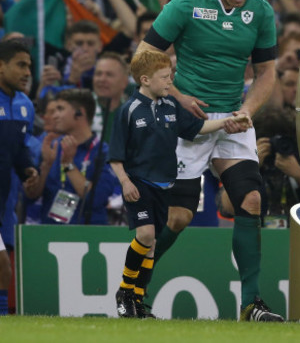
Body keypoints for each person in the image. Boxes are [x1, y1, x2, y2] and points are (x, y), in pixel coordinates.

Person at [135, 0, 282, 321]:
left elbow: (266, 73)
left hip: (233, 117)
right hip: (188, 121)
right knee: (177, 219)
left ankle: (252, 303)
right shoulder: (185, 4)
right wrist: (178, 97)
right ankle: (133, 291)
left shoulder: (260, 10)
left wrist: (248, 110)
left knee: (250, 200)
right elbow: (143, 58)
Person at [109, 50, 251, 318]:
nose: (169, 82)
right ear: (145, 79)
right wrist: (126, 182)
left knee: (151, 244)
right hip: (139, 184)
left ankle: (137, 300)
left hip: (166, 185)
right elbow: (115, 156)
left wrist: (228, 121)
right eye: (165, 77)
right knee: (146, 235)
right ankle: (125, 290)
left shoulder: (171, 107)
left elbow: (198, 128)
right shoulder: (128, 111)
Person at [24, 88, 117, 225]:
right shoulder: (52, 148)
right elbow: (30, 196)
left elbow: (96, 199)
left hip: (89, 237)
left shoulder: (103, 152)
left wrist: (69, 165)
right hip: (51, 235)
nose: (54, 116)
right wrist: (46, 166)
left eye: (60, 109)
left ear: (80, 113)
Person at [0, 39, 38, 315]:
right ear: (1, 67)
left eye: (30, 66)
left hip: (5, 204)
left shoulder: (25, 105)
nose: (27, 72)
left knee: (4, 271)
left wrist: (27, 168)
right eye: (20, 65)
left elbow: (19, 148)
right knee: (3, 267)